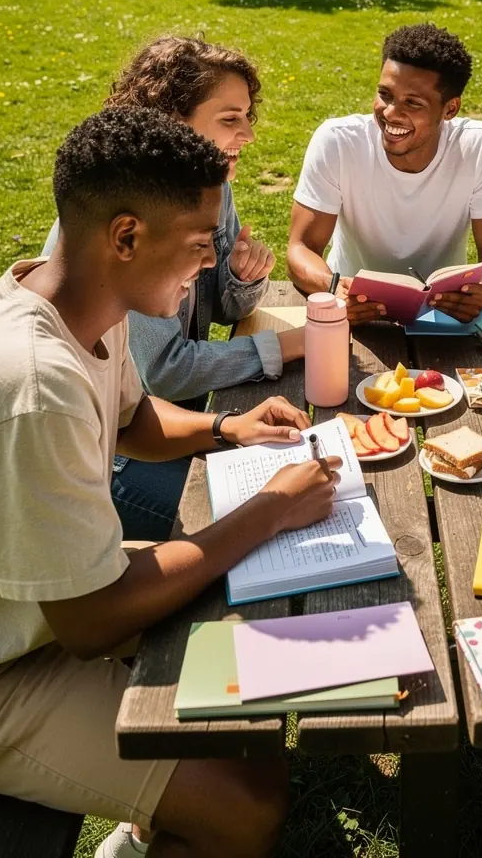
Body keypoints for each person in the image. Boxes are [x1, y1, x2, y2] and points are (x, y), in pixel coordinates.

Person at [0, 106, 341, 858]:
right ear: (126, 236)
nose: (210, 262)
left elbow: (131, 420)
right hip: (17, 660)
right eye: (198, 244)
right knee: (248, 804)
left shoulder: (82, 298)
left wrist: (228, 428)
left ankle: (150, 819)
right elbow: (91, 623)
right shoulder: (36, 382)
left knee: (244, 649)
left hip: (43, 609)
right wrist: (269, 508)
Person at [44, 36, 303, 541]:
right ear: (170, 118)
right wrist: (283, 348)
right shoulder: (125, 236)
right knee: (266, 512)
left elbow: (132, 408)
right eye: (230, 119)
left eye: (248, 116)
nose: (248, 134)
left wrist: (243, 280)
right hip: (114, 468)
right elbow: (162, 371)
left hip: (158, 425)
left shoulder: (207, 189)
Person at [287, 22, 482, 324]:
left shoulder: (480, 146)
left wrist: (479, 291)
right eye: (385, 94)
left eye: (413, 103)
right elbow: (300, 248)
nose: (391, 112)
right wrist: (334, 287)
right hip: (355, 311)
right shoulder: (338, 140)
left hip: (442, 316)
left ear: (450, 109)